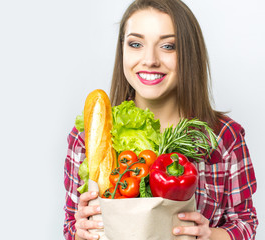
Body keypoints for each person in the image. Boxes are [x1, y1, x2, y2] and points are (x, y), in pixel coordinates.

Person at [63, 0, 258, 239]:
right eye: (136, 44)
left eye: (168, 46)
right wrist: (79, 232)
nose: (150, 60)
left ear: (189, 54)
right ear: (122, 49)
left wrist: (210, 235)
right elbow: (70, 225)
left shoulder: (224, 136)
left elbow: (245, 223)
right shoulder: (87, 138)